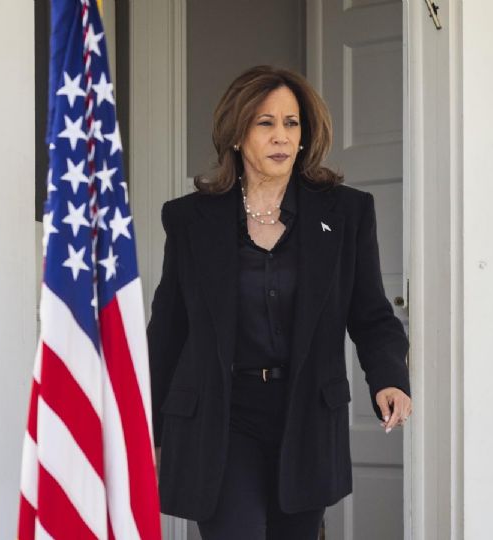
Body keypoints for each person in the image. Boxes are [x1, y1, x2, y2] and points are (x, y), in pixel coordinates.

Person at [146, 65, 412, 540]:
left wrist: (390, 378)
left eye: (291, 123)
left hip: (306, 411)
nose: (281, 136)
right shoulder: (190, 220)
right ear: (236, 133)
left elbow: (371, 315)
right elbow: (169, 329)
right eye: (265, 123)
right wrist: (148, 428)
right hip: (221, 416)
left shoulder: (347, 213)